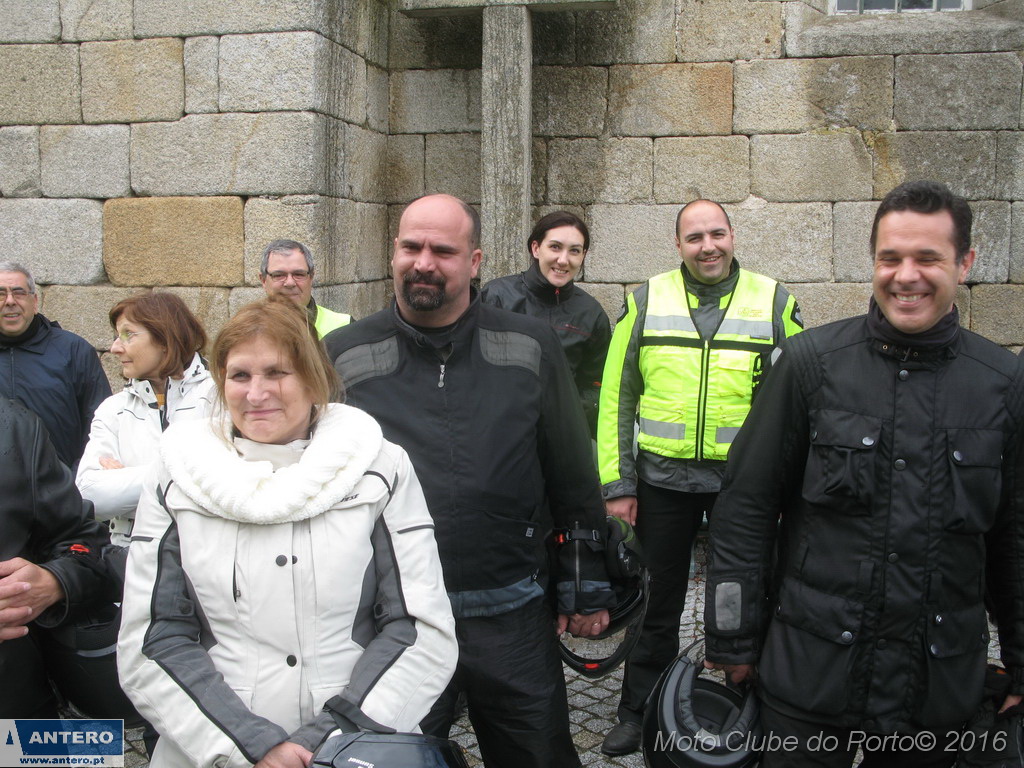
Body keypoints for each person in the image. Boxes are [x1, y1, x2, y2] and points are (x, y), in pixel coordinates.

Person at [703, 180, 1024, 767]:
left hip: (935, 686)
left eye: (928, 258)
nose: (906, 276)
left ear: (965, 263)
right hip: (810, 672)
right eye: (890, 258)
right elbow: (745, 509)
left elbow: (1014, 537)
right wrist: (733, 640)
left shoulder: (1003, 384)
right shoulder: (809, 366)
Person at [324, 193, 614, 768]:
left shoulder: (530, 345)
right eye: (412, 247)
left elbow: (570, 470)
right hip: (396, 620)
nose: (424, 263)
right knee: (396, 760)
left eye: (443, 250)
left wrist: (583, 580)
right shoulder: (344, 354)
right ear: (393, 252)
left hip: (510, 608)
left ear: (474, 261)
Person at [117, 298, 456, 768]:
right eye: (239, 375)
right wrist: (251, 745)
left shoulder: (378, 466)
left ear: (314, 380)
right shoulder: (179, 472)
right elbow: (153, 636)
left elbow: (419, 627)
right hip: (213, 748)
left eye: (277, 373)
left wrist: (331, 740)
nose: (256, 394)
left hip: (355, 746)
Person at [597, 199, 803, 756]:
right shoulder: (645, 300)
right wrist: (618, 485)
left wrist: (787, 488)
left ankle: (756, 707)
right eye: (694, 237)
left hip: (744, 484)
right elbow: (617, 396)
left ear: (732, 235)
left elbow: (796, 403)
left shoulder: (775, 301)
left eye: (716, 234)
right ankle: (638, 710)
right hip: (662, 482)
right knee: (656, 600)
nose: (707, 246)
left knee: (747, 596)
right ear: (678, 244)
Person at [0, 396, 116, 719]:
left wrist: (53, 581)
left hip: (19, 710)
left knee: (94, 741)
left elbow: (87, 543)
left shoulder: (17, 427)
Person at [76, 292, 214, 548]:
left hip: (203, 551)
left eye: (128, 334)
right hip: (130, 554)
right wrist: (184, 474)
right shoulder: (114, 409)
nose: (115, 348)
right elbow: (89, 498)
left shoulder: (219, 398)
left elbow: (224, 482)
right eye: (117, 336)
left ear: (165, 338)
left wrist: (124, 479)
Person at [480, 211, 611, 436]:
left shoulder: (591, 313)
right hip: (500, 433)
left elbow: (597, 384)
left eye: (574, 251)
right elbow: (473, 371)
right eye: (555, 247)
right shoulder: (497, 297)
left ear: (583, 255)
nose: (563, 260)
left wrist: (567, 414)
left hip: (563, 435)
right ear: (536, 248)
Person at [0, 261, 111, 469]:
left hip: (60, 485)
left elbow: (102, 425)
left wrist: (75, 478)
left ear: (34, 302)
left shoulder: (74, 351)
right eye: (1, 294)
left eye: (19, 293)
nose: (10, 301)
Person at [259, 239, 353, 338]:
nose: (290, 283)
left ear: (311, 277)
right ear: (263, 280)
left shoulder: (345, 327)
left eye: (298, 274)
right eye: (279, 275)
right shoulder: (249, 328)